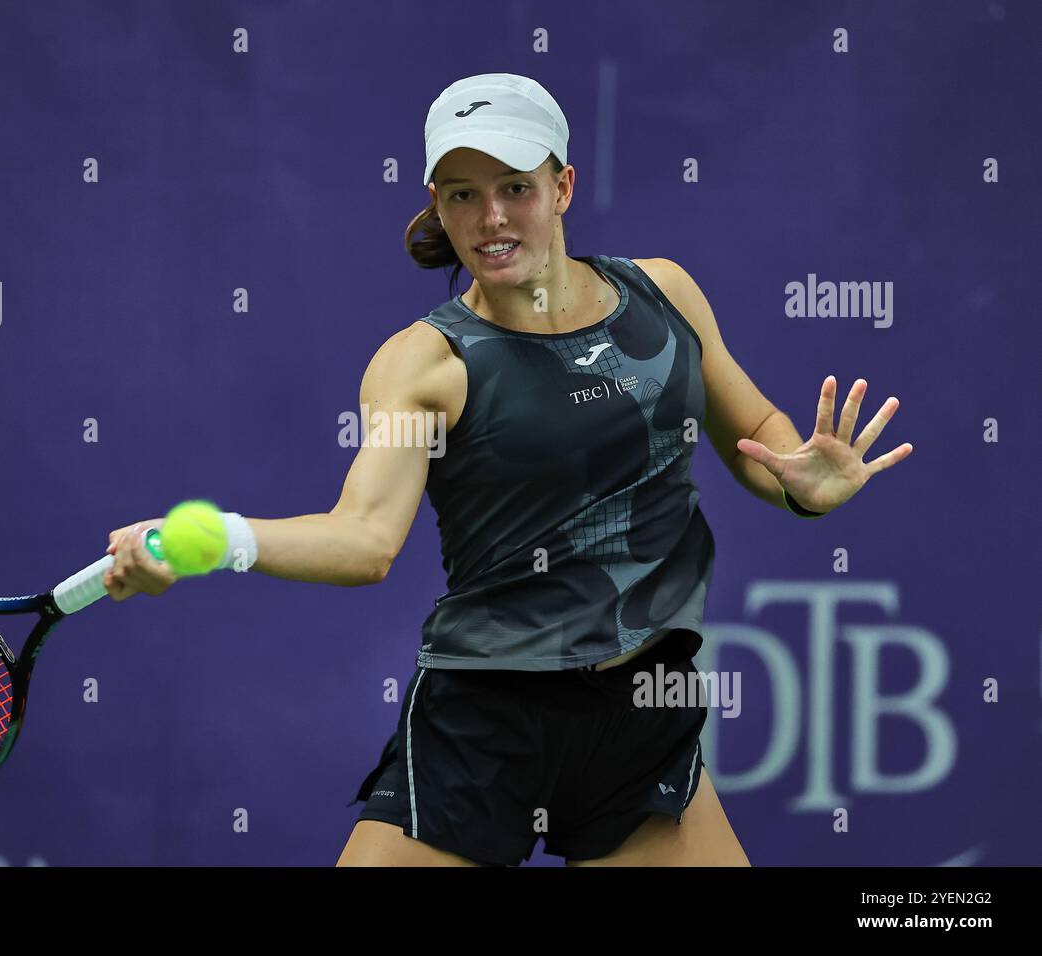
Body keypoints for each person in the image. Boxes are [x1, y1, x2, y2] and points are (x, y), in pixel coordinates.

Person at [101, 73, 913, 867]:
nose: (490, 217)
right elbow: (365, 537)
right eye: (460, 194)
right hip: (487, 721)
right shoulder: (423, 364)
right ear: (435, 205)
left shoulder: (663, 295)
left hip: (643, 709)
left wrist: (801, 484)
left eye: (514, 186)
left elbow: (761, 437)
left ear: (563, 186)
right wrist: (218, 541)